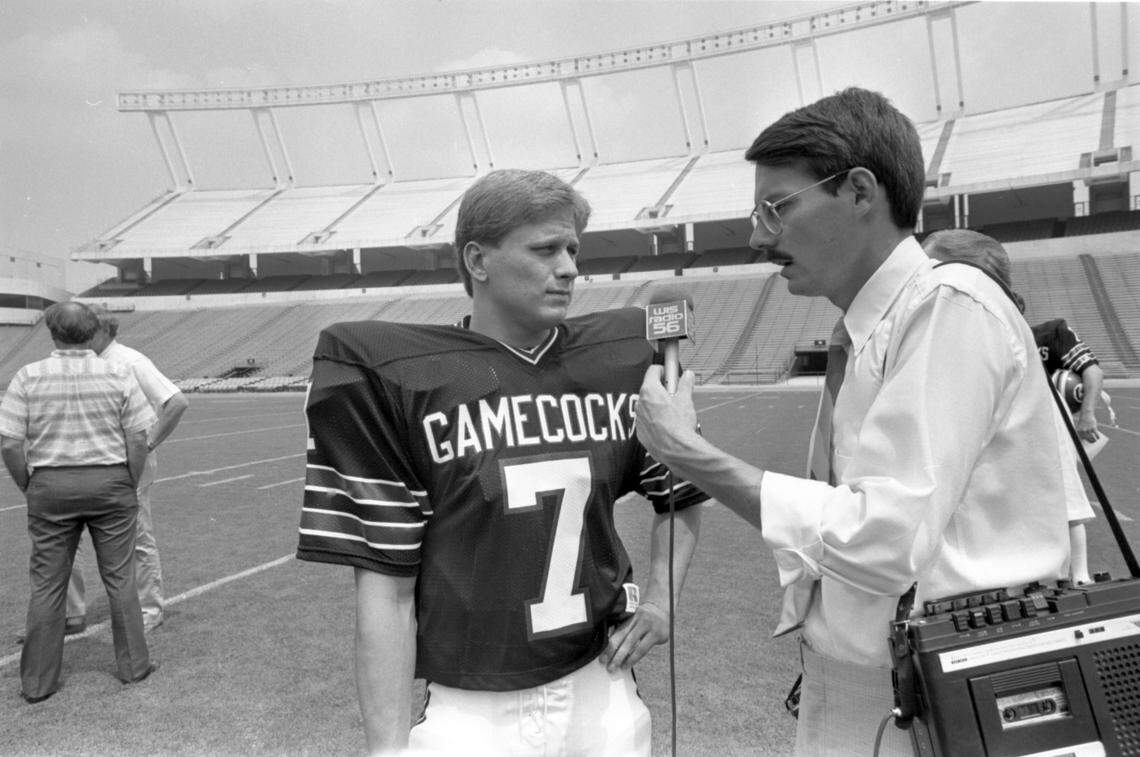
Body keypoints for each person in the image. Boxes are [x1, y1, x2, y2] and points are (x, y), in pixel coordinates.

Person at [633, 88, 1073, 756]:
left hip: (943, 695)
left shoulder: (949, 308)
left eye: (776, 207)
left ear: (861, 190)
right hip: (868, 682)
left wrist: (689, 453)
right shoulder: (870, 332)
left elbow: (884, 540)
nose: (757, 236)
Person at [296, 168, 705, 756]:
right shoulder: (402, 377)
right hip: (473, 708)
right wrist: (386, 751)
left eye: (572, 249)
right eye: (545, 249)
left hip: (603, 686)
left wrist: (663, 602)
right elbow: (386, 590)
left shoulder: (620, 362)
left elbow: (682, 496)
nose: (568, 267)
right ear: (478, 261)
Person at [921, 228, 1099, 584]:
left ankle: (1079, 578)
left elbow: (1070, 502)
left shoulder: (1019, 368)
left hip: (1003, 589)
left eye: (933, 275)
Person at [0, 302, 158, 703]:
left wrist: (29, 484)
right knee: (120, 579)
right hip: (109, 481)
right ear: (91, 333)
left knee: (48, 584)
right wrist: (127, 480)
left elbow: (11, 443)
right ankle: (134, 665)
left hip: (51, 485)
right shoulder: (118, 374)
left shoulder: (27, 376)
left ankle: (37, 682)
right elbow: (138, 438)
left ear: (52, 333)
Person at [64, 305, 189, 632]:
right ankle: (70, 613)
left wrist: (147, 444)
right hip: (91, 460)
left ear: (104, 329)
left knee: (135, 536)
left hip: (128, 464)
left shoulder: (131, 361)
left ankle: (149, 611)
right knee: (67, 535)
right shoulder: (88, 363)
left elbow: (176, 402)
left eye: (87, 330)